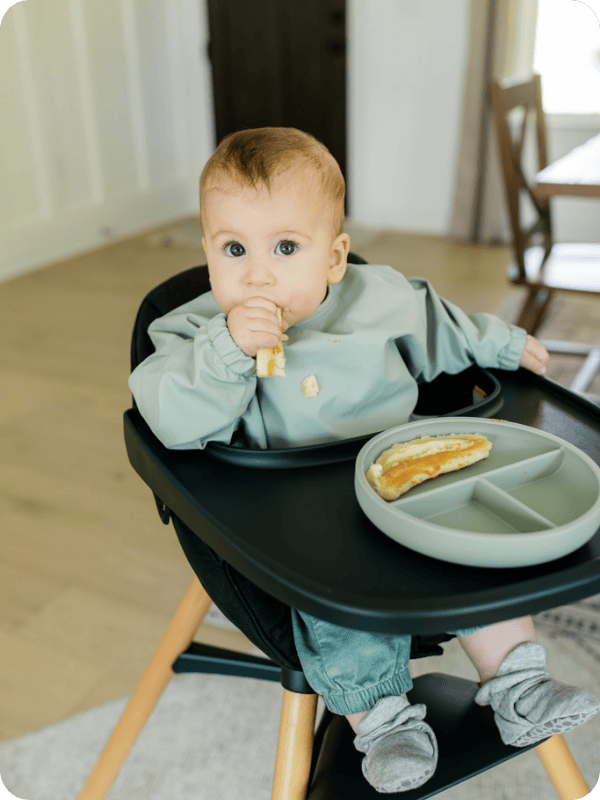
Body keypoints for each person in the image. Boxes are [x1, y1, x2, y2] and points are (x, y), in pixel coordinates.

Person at [129, 127, 599, 793]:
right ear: (207, 251)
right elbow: (170, 419)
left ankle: (520, 688)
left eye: (286, 247)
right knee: (337, 610)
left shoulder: (378, 299)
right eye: (233, 248)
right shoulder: (188, 334)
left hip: (402, 482)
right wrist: (225, 351)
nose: (257, 272)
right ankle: (383, 723)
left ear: (334, 256)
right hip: (296, 522)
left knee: (476, 560)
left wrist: (502, 344)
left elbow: (442, 326)